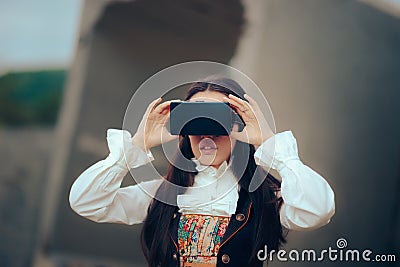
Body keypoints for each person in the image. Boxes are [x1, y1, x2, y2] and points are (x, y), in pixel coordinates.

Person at [69, 77, 335, 267]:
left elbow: (319, 209)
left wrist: (267, 142)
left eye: (219, 119)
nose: (207, 132)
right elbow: (86, 202)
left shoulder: (265, 198)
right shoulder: (161, 194)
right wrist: (136, 145)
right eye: (196, 119)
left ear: (239, 127)